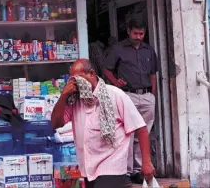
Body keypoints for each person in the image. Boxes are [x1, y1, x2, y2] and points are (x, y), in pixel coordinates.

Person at [51, 59, 155, 188]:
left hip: (112, 166)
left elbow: (140, 127)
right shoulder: (75, 99)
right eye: (72, 80)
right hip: (89, 169)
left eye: (79, 78)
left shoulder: (115, 95)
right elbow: (56, 123)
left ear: (92, 74)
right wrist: (63, 96)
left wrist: (146, 162)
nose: (76, 83)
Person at [103, 17, 158, 184]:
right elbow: (106, 69)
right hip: (128, 95)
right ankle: (125, 171)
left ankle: (138, 170)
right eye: (136, 33)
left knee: (144, 133)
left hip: (147, 95)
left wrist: (152, 95)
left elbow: (153, 75)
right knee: (127, 134)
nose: (139, 36)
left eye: (142, 33)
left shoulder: (148, 50)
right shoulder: (118, 49)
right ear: (128, 31)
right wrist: (114, 81)